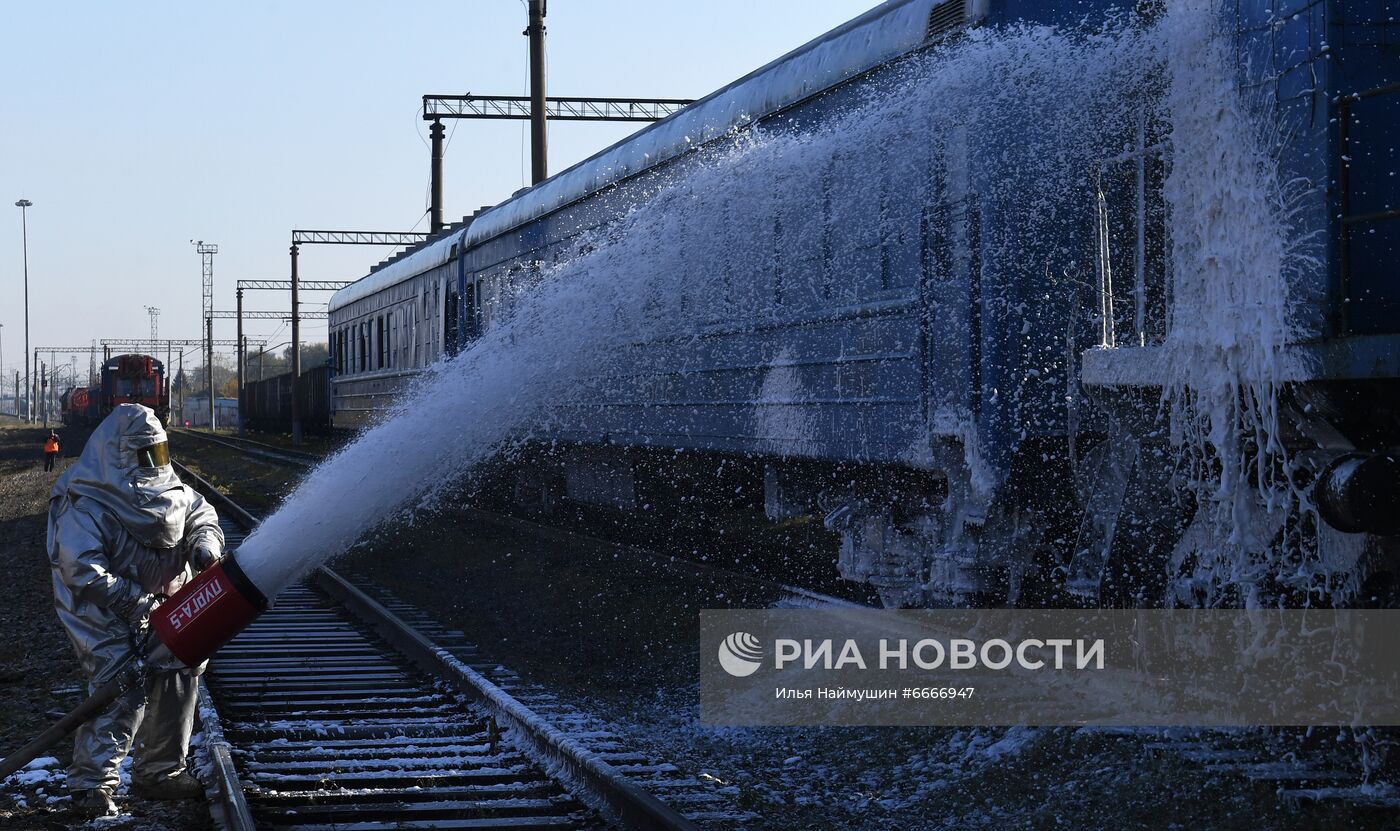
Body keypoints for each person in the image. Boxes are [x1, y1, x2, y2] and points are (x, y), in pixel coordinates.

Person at [46, 404, 225, 817]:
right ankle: (91, 785)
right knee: (120, 684)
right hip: (102, 610)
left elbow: (201, 514)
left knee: (180, 674)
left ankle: (160, 774)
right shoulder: (86, 500)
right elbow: (81, 570)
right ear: (119, 455)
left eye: (158, 454)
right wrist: (135, 602)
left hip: (164, 600)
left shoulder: (170, 487)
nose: (155, 464)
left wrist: (205, 547)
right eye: (145, 455)